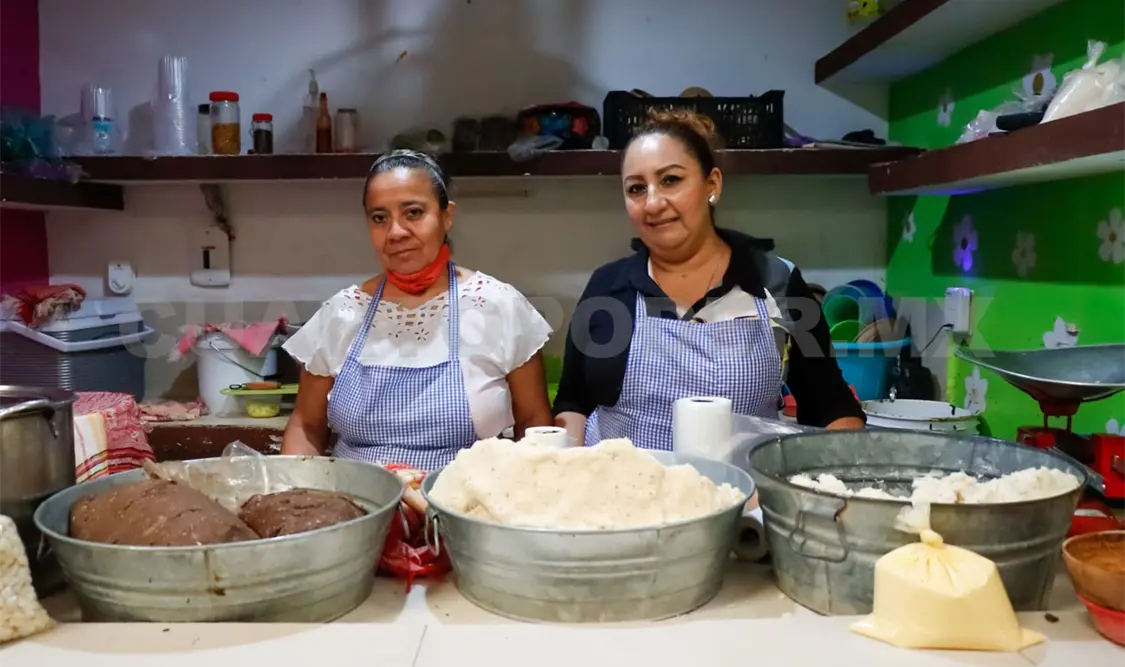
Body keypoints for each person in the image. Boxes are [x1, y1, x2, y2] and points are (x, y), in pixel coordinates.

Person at [553, 110, 865, 449]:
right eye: (636, 188)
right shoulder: (608, 288)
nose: (653, 203)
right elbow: (573, 403)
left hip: (744, 497)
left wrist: (841, 477)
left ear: (711, 184)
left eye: (670, 180)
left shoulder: (776, 282)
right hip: (623, 494)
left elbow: (829, 404)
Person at [281, 150, 554, 470]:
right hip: (358, 504)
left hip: (462, 505)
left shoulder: (498, 307)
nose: (395, 232)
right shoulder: (342, 314)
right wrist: (294, 491)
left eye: (413, 212)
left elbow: (534, 425)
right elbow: (306, 425)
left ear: (446, 216)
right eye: (379, 218)